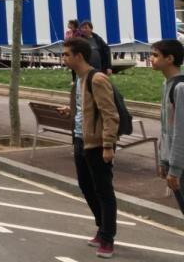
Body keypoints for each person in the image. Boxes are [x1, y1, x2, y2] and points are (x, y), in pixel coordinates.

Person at [58, 37, 120, 258]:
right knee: (86, 186)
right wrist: (71, 110)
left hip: (96, 144)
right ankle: (101, 227)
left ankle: (108, 238)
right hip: (79, 139)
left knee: (104, 190)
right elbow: (86, 108)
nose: (63, 58)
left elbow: (110, 114)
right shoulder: (79, 80)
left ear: (79, 56)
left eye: (66, 54)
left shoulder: (97, 79)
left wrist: (108, 145)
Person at [151, 39, 184, 215]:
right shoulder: (167, 84)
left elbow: (180, 132)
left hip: (181, 164)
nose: (151, 59)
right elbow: (165, 129)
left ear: (169, 58)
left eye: (156, 55)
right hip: (173, 162)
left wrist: (175, 169)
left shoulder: (180, 88)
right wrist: (164, 160)